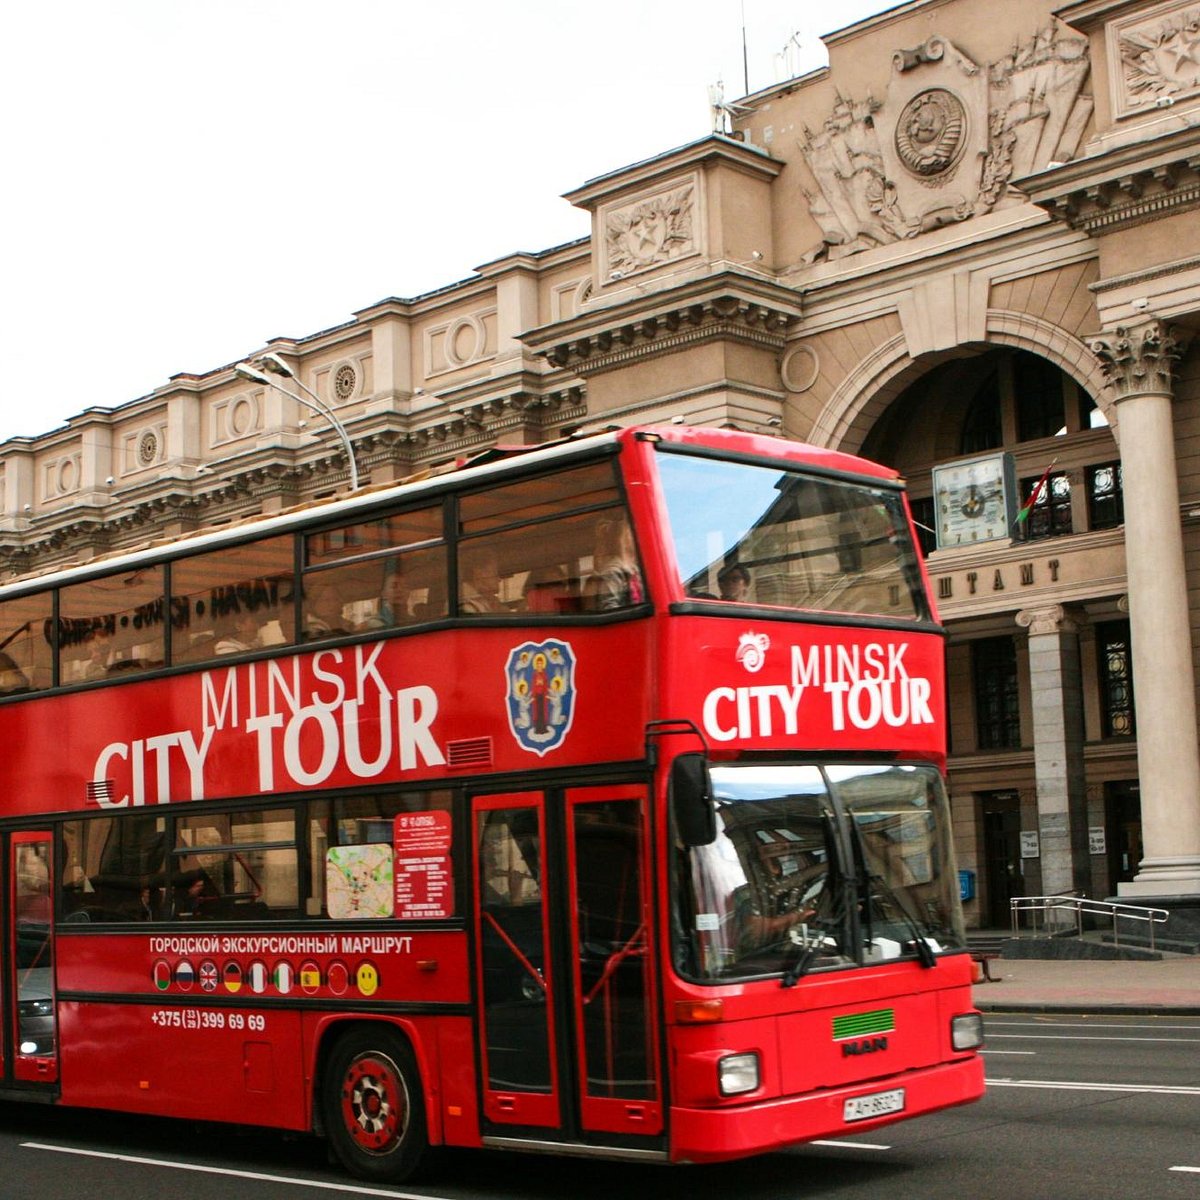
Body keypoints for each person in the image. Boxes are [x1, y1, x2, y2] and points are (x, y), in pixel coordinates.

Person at [585, 516, 644, 611]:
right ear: (621, 540)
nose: (636, 537)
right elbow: (609, 608)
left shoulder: (634, 569)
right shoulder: (612, 571)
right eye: (630, 534)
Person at [460, 547, 506, 614]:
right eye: (495, 573)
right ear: (479, 574)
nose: (499, 579)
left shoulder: (486, 601)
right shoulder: (466, 606)